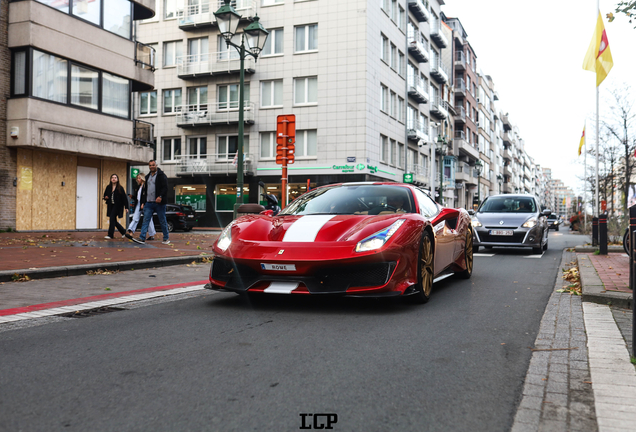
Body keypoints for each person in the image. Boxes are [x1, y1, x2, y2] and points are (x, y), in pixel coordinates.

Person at [133, 160, 170, 245]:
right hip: (149, 203)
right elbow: (144, 191)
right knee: (145, 220)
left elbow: (165, 188)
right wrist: (143, 202)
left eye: (153, 165)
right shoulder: (147, 177)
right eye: (150, 165)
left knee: (162, 220)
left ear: (156, 165)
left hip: (159, 203)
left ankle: (166, 238)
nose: (151, 167)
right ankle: (142, 238)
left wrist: (160, 196)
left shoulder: (161, 176)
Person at [127, 172, 156, 240]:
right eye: (137, 178)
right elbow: (138, 197)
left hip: (146, 204)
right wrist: (133, 197)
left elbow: (145, 196)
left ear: (143, 178)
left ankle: (152, 235)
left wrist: (143, 203)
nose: (138, 179)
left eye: (139, 178)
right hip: (139, 203)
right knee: (135, 217)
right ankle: (131, 231)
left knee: (148, 219)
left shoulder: (146, 186)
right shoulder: (138, 187)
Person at [103, 173, 130, 239]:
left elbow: (124, 198)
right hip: (110, 205)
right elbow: (105, 195)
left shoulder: (120, 188)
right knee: (113, 220)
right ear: (110, 179)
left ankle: (110, 235)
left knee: (112, 218)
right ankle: (123, 231)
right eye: (112, 177)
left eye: (115, 177)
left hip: (118, 206)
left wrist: (126, 207)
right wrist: (105, 197)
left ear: (117, 179)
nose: (113, 179)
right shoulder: (108, 187)